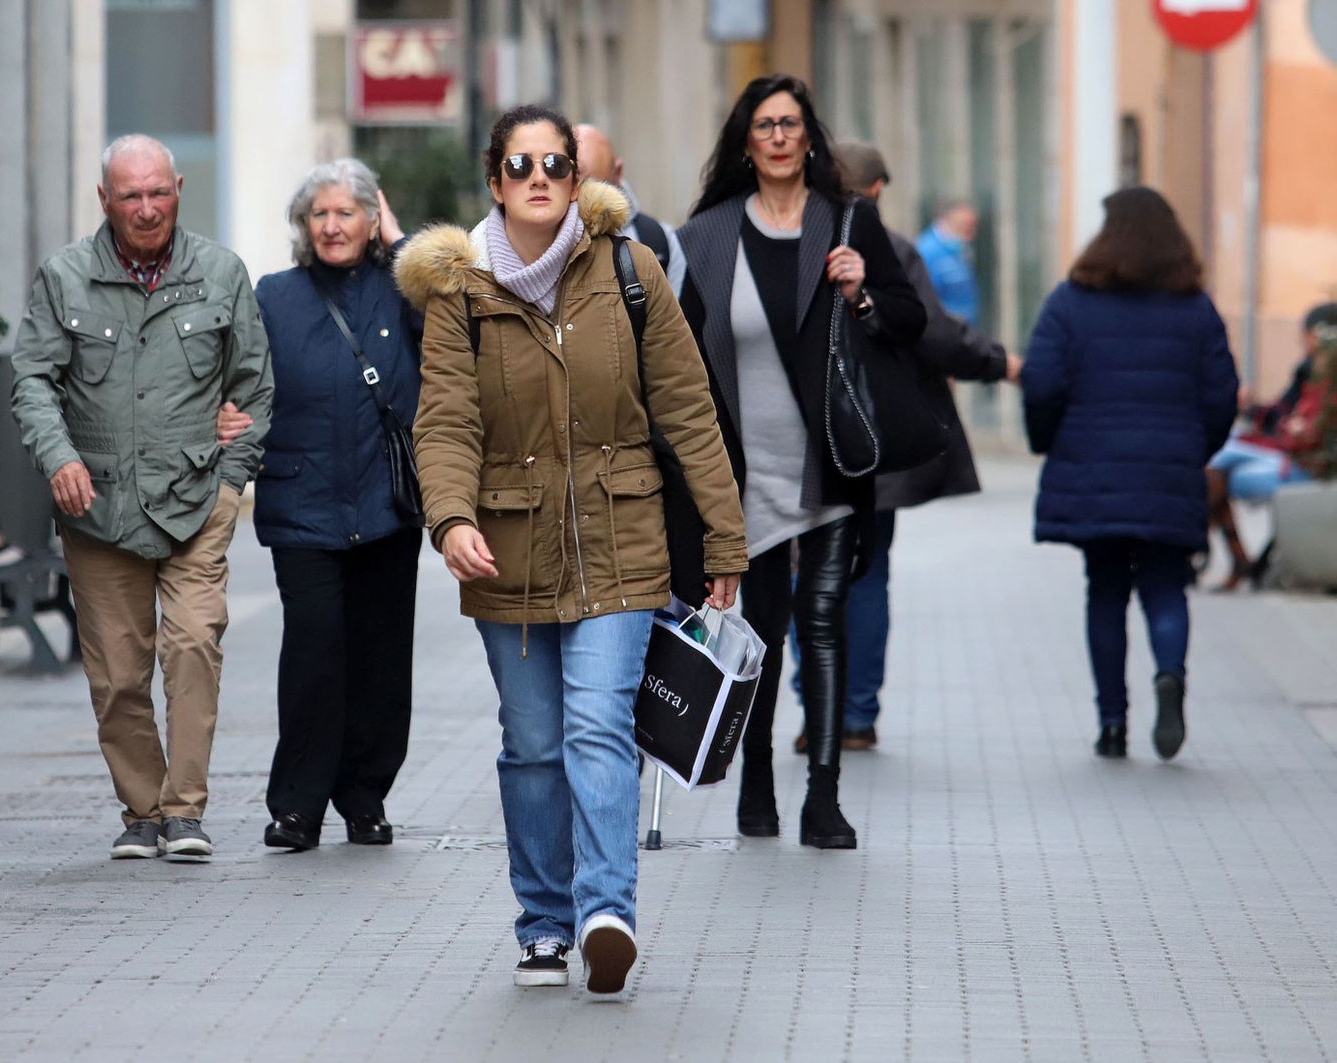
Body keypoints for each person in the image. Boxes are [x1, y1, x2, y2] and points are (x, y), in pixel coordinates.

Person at [394, 104, 746, 994]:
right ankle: (544, 922)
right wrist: (452, 520)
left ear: (576, 175)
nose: (540, 177)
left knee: (597, 726)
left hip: (622, 538)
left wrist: (724, 539)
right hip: (505, 549)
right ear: (494, 179)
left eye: (556, 161)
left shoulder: (630, 270)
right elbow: (442, 423)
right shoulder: (459, 295)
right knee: (533, 743)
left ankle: (606, 912)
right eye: (521, 164)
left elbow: (689, 408)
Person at [676, 75, 926, 848]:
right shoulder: (708, 237)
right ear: (745, 143)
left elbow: (908, 323)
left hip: (828, 465)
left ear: (809, 137)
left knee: (822, 623)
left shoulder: (848, 220)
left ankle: (823, 796)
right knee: (758, 629)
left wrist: (862, 293)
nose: (779, 137)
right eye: (764, 126)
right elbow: (679, 355)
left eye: (790, 124)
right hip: (741, 474)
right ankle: (755, 783)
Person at [11, 134, 274, 860]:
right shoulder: (64, 277)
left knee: (193, 643)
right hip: (98, 509)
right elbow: (32, 379)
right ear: (105, 199)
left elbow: (253, 388)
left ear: (179, 188)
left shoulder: (221, 273)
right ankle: (143, 809)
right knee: (118, 674)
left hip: (196, 501)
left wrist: (229, 484)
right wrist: (58, 457)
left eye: (158, 191)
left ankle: (185, 811)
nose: (147, 208)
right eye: (131, 195)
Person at [213, 159, 419, 853]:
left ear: (370, 221)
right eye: (319, 214)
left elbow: (460, 307)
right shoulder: (275, 295)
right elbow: (239, 379)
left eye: (347, 212)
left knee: (382, 659)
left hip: (389, 504)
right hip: (303, 502)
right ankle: (298, 804)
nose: (332, 226)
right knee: (314, 655)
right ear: (304, 226)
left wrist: (401, 239)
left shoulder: (401, 289)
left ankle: (365, 796)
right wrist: (227, 419)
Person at [789, 140, 1022, 752]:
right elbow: (937, 335)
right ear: (875, 192)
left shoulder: (786, 245)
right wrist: (999, 364)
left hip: (801, 448)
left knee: (802, 573)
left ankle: (816, 710)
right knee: (867, 575)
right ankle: (857, 715)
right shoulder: (890, 249)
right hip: (873, 449)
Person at [1021, 186, 1238, 761]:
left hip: (1094, 473)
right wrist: (1196, 448)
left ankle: (1112, 723)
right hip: (1169, 473)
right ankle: (1170, 675)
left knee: (1107, 591)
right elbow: (1223, 394)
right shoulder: (1196, 308)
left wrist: (1050, 442)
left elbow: (1041, 383)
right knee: (1167, 585)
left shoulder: (1071, 301)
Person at [1205, 301, 1337, 589]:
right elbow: (1282, 412)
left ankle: (1230, 556)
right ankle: (1238, 559)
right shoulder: (1309, 371)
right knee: (1218, 460)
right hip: (1290, 452)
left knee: (1217, 468)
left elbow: (1309, 433)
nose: (1302, 341)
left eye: (1307, 335)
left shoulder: (1327, 379)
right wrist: (1255, 410)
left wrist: (1290, 428)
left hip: (1308, 465)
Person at [574, 123, 688, 296]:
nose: (585, 204)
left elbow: (676, 319)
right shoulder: (539, 239)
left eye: (596, 189)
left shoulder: (659, 240)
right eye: (575, 188)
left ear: (618, 173)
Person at [916, 199, 981, 325]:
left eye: (973, 226)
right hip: (943, 331)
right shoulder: (927, 251)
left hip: (965, 329)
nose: (972, 233)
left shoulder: (960, 249)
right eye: (966, 226)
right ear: (947, 221)